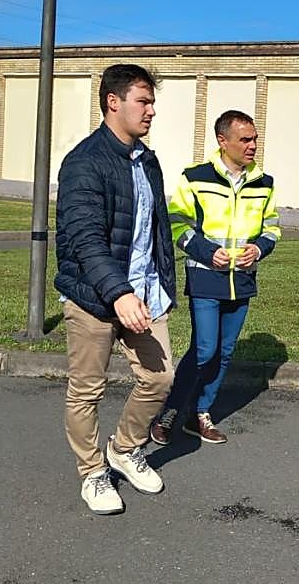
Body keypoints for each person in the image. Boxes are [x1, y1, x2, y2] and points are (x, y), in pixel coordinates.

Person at [54, 64, 177, 515]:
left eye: (152, 102)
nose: (151, 111)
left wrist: (158, 283)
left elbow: (153, 229)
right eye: (143, 102)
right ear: (113, 102)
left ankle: (123, 449)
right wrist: (118, 292)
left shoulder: (148, 161)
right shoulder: (84, 162)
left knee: (160, 377)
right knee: (87, 389)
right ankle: (92, 472)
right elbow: (85, 239)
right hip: (94, 297)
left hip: (143, 294)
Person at [150, 109, 281, 446]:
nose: (253, 145)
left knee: (224, 353)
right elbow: (177, 222)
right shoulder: (195, 178)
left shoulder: (264, 183)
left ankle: (200, 414)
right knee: (205, 349)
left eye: (254, 138)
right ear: (223, 141)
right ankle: (169, 411)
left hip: (244, 280)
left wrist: (260, 248)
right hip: (207, 277)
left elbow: (272, 227)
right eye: (245, 139)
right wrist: (207, 252)